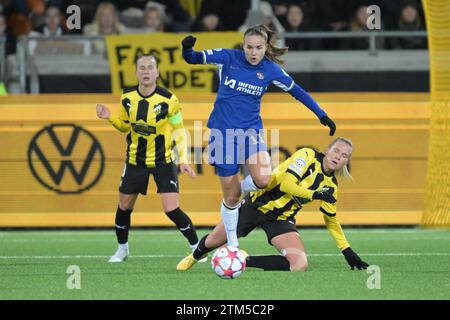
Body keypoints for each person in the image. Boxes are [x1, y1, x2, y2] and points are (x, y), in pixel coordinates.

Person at [181, 24, 336, 251]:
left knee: (264, 180)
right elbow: (193, 58)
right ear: (242, 46)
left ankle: (240, 189)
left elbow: (298, 91)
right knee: (231, 198)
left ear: (265, 48)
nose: (253, 52)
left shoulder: (270, 70)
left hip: (251, 132)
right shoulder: (227, 58)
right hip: (222, 134)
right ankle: (232, 244)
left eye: (259, 48)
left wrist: (322, 114)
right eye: (249, 47)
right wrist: (187, 49)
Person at [177, 137, 370, 271]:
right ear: (327, 150)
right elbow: (287, 184)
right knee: (212, 242)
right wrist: (315, 193)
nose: (338, 156)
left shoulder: (331, 187)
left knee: (299, 264)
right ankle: (194, 256)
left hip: (281, 219)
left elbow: (331, 220)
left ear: (346, 162)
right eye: (336, 150)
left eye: (344, 156)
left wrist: (347, 250)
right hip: (255, 205)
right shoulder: (308, 155)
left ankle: (242, 260)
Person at [96, 54, 204, 263]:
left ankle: (197, 249)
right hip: (136, 161)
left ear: (157, 72)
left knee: (171, 209)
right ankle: (122, 249)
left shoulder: (169, 99)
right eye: (142, 68)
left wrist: (183, 159)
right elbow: (125, 126)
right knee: (124, 205)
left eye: (150, 68)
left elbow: (179, 130)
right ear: (136, 72)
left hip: (163, 161)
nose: (146, 72)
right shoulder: (127, 97)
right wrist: (109, 117)